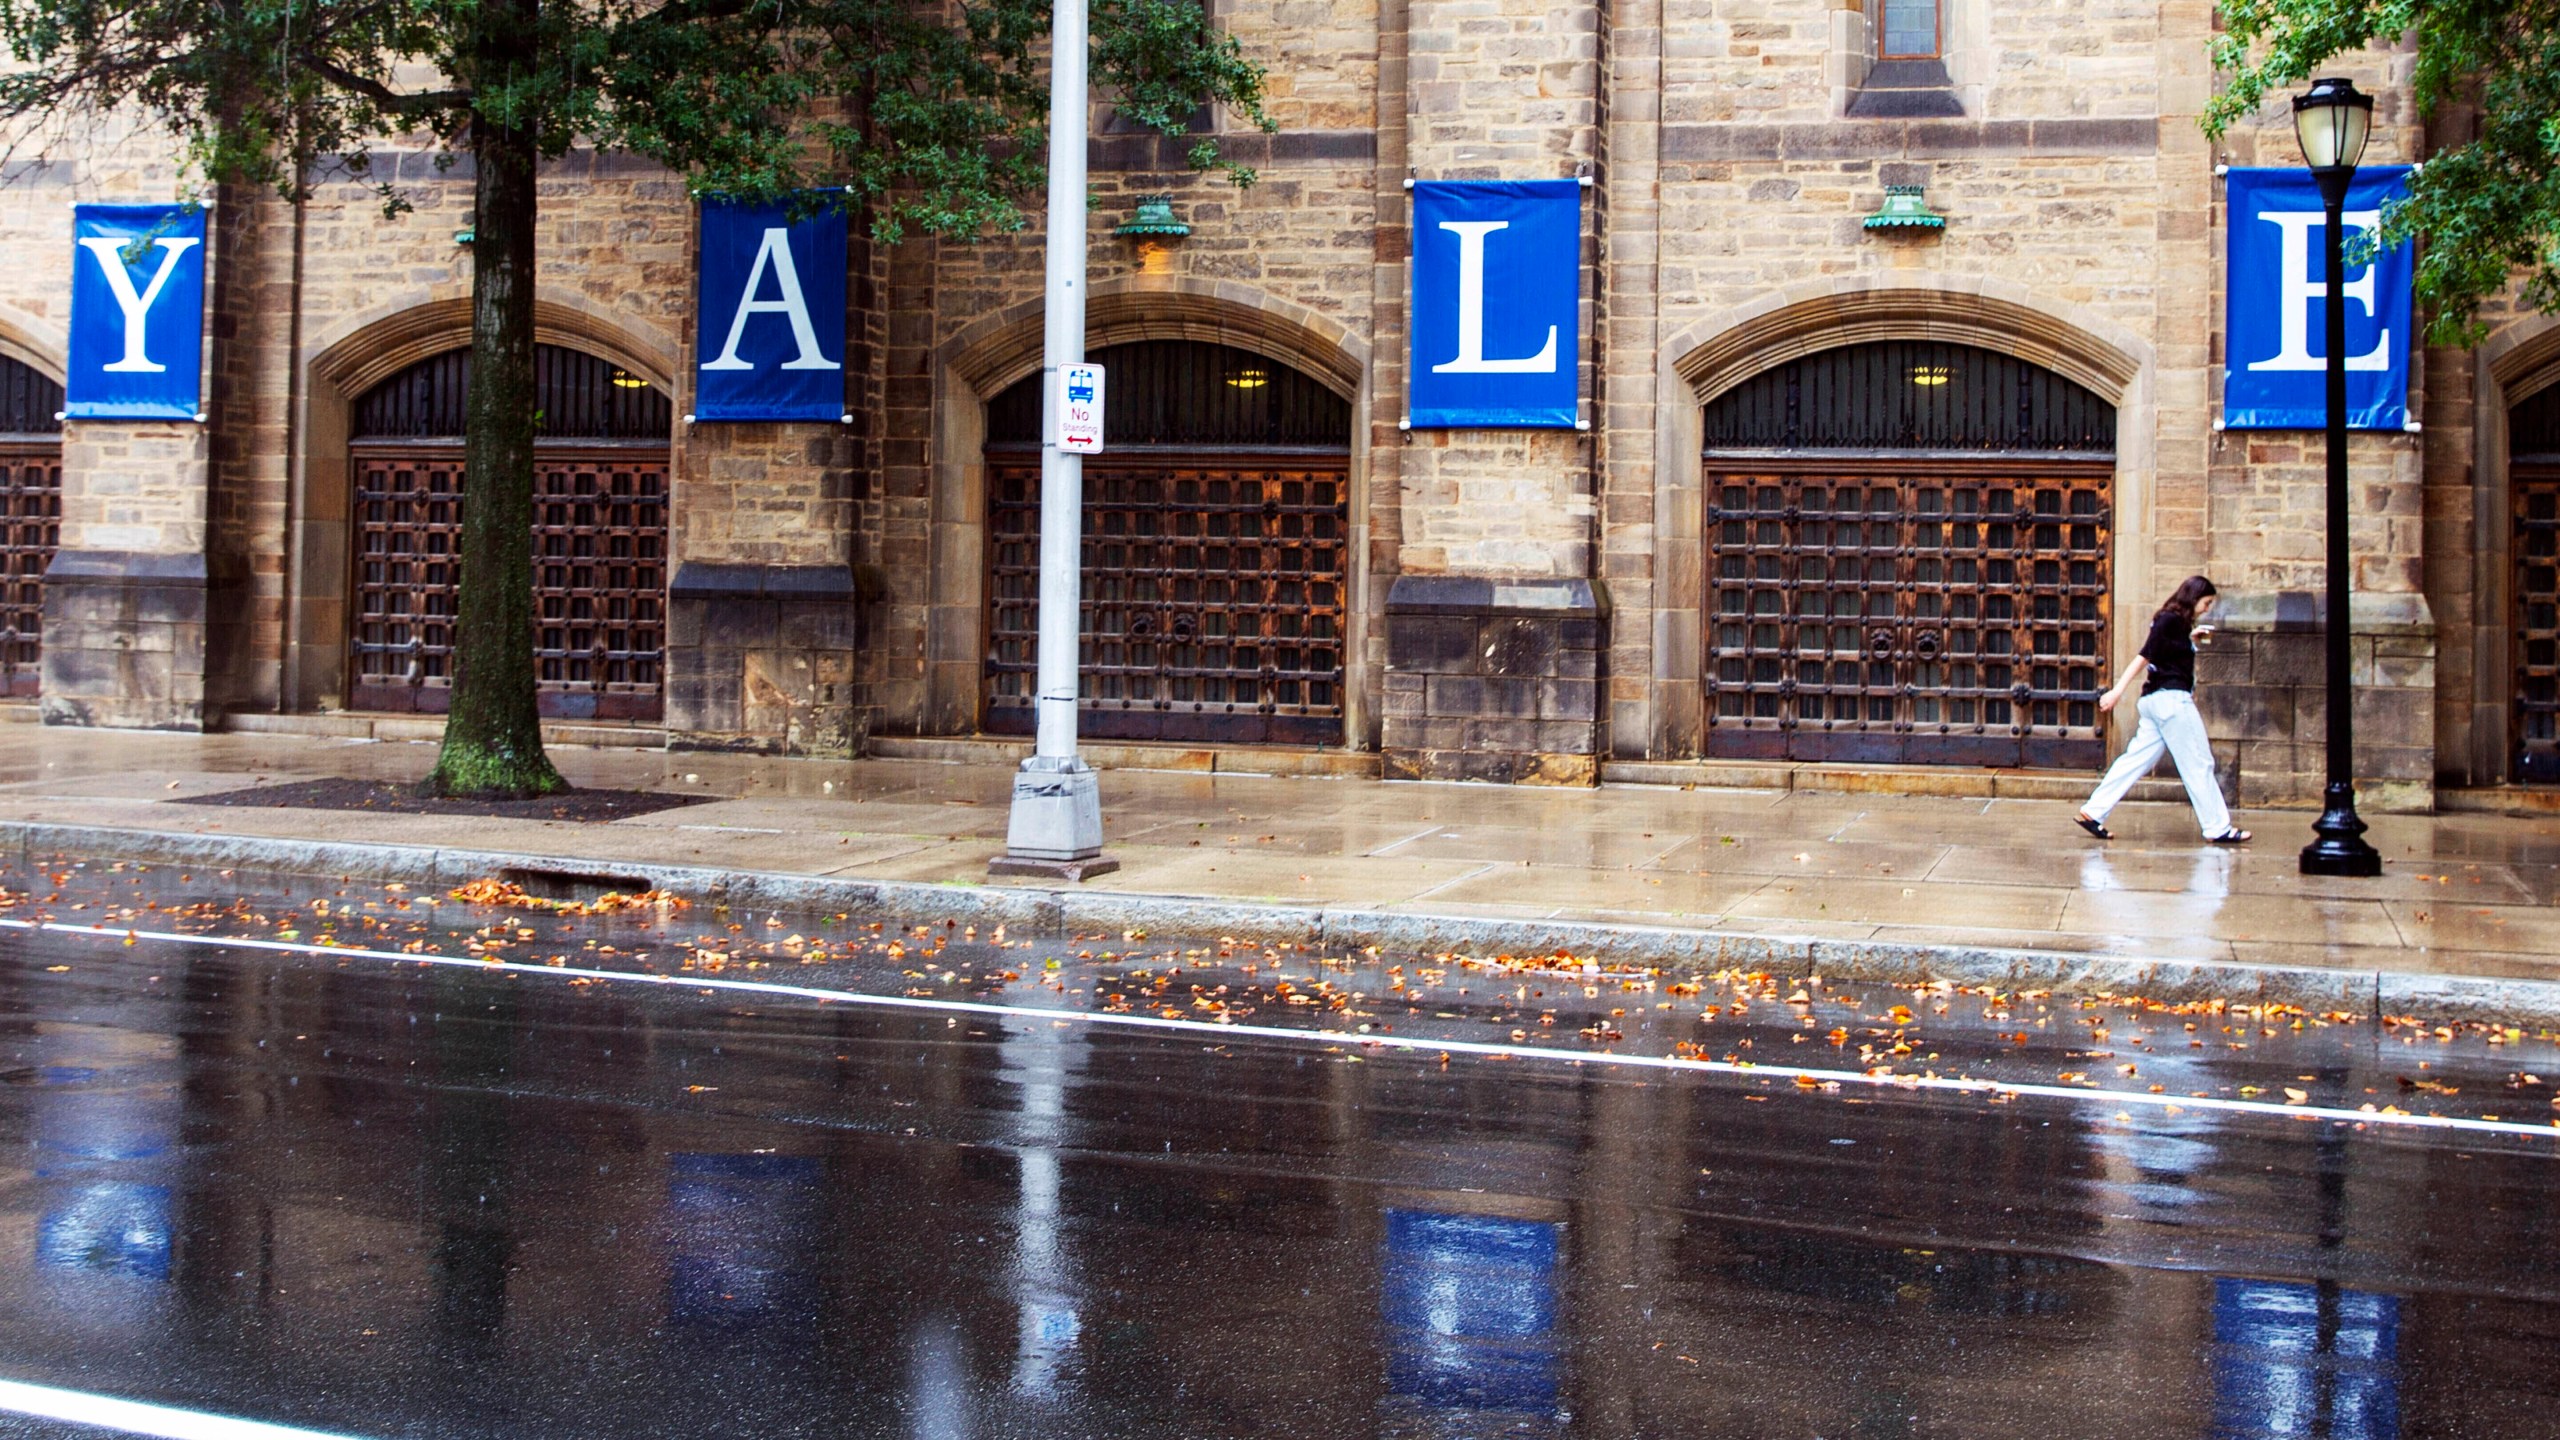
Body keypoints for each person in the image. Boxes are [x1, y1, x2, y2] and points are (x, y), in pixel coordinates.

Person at [2074, 575, 2249, 844]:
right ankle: (2218, 827)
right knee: (2199, 762)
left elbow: (2164, 653)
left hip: (2156, 702)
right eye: (2207, 602)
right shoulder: (2170, 620)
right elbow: (2145, 655)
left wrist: (2190, 637)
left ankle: (2093, 812)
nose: (2207, 608)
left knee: (2135, 761)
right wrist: (2117, 692)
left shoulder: (2173, 622)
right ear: (2195, 597)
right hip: (2171, 702)